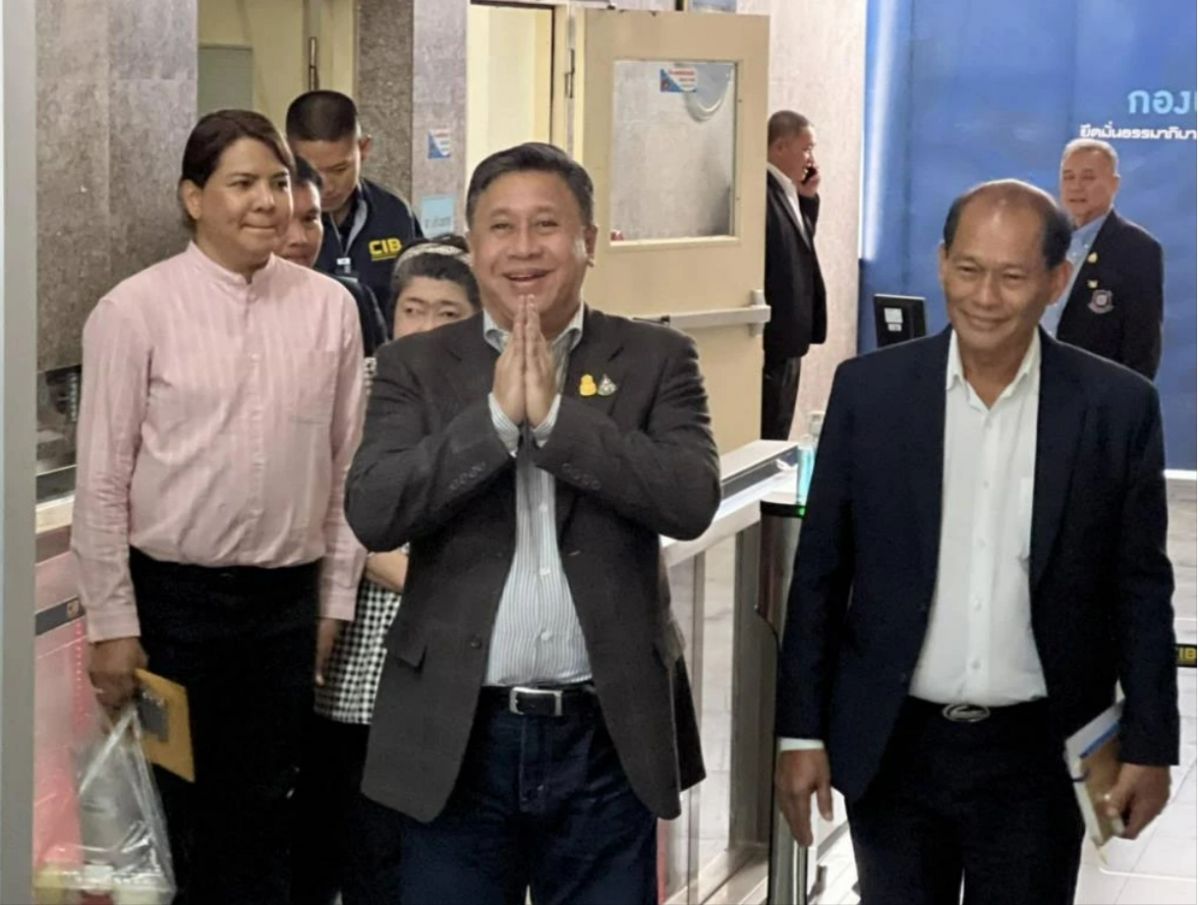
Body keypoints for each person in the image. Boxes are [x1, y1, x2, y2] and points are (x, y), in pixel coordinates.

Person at [774, 179, 1178, 904]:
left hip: (1040, 755)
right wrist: (799, 732)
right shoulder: (871, 393)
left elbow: (1140, 589)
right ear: (941, 263)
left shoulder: (1116, 409)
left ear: (1056, 281)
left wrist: (1151, 744)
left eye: (1012, 276)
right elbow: (821, 575)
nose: (985, 297)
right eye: (968, 269)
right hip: (892, 745)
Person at [344, 142, 721, 904]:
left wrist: (555, 422)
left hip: (605, 735)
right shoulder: (416, 366)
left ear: (588, 240)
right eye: (501, 226)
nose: (523, 248)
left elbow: (689, 498)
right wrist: (492, 422)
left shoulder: (655, 357)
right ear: (473, 243)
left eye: (546, 225)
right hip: (456, 733)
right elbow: (375, 510)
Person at [73, 109, 365, 905]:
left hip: (284, 606)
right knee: (175, 821)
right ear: (194, 197)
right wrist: (112, 623)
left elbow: (346, 468)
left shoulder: (330, 308)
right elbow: (103, 480)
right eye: (242, 183)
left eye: (278, 182)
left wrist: (332, 603)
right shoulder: (134, 310)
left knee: (267, 812)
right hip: (174, 607)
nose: (267, 201)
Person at [290, 235, 480, 905]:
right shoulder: (360, 386)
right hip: (360, 657)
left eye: (448, 313)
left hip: (455, 661)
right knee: (352, 833)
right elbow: (334, 505)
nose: (425, 327)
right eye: (413, 309)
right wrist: (404, 569)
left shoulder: (495, 397)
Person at [286, 89, 424, 309]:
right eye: (312, 170)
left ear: (363, 148)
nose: (327, 186)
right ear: (286, 153)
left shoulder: (394, 212)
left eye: (340, 169)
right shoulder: (272, 219)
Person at [1043, 138, 1164, 380]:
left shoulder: (1138, 249)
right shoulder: (1045, 239)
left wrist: (1130, 399)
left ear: (1114, 184)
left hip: (1094, 388)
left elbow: (1142, 345)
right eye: (1068, 177)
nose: (1076, 187)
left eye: (1088, 177)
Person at [279, 156, 389, 355]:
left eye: (310, 219)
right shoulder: (222, 307)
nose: (299, 238)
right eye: (283, 221)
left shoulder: (350, 299)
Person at [762, 110, 827, 440]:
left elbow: (800, 246)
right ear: (780, 148)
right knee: (769, 432)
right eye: (806, 149)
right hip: (773, 340)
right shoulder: (761, 193)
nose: (811, 159)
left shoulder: (787, 191)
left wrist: (807, 199)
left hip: (790, 340)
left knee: (780, 430)